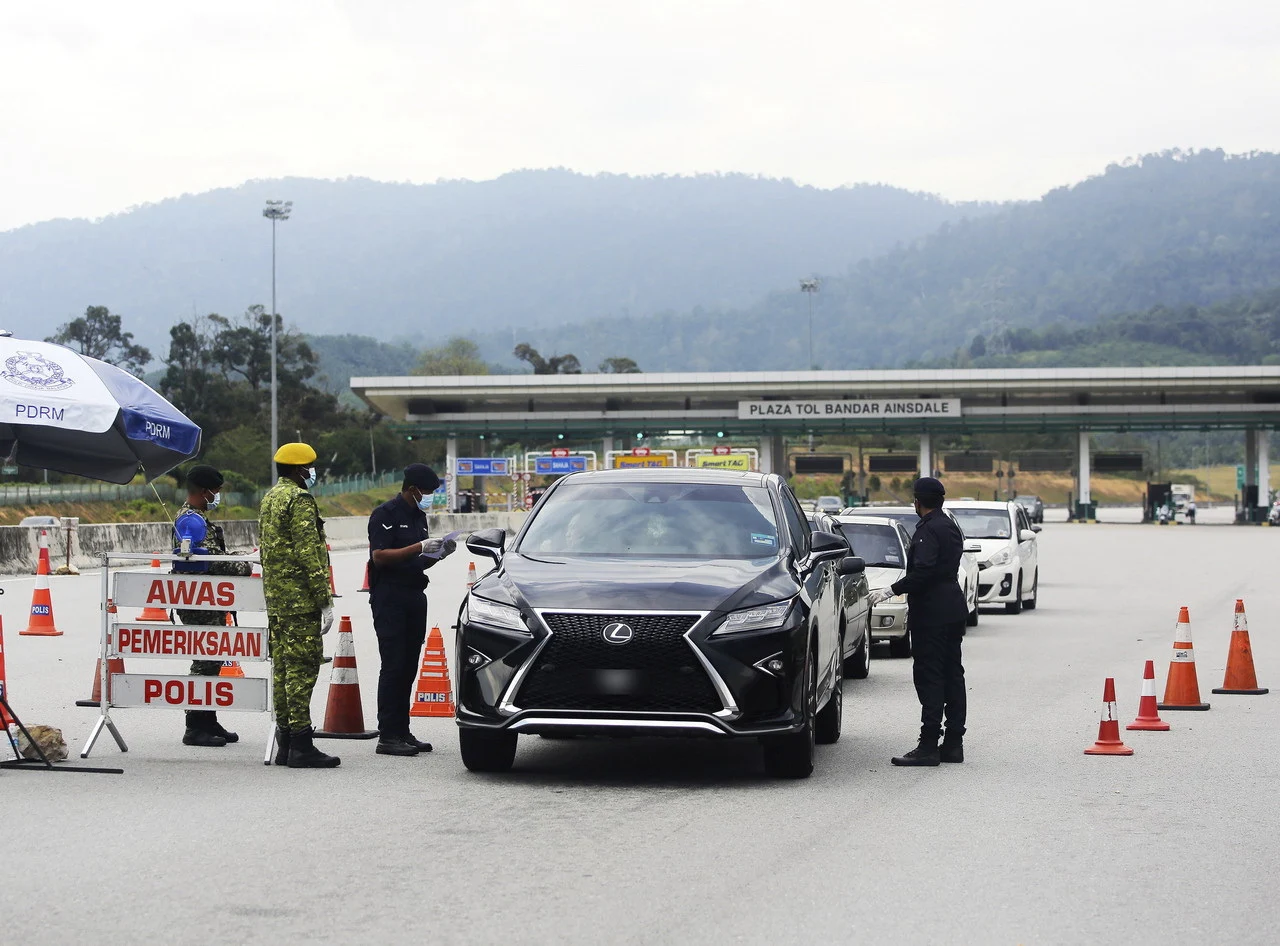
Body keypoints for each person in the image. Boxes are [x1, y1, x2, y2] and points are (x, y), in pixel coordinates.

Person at [868, 476, 969, 767]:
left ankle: (927, 746)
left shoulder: (927, 530)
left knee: (929, 676)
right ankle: (953, 744)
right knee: (953, 675)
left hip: (932, 614)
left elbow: (923, 572)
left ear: (918, 501)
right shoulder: (949, 526)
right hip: (952, 608)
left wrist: (889, 591)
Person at [366, 464, 456, 757]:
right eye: (427, 492)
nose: (429, 497)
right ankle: (388, 735)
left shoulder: (419, 517)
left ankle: (402, 730)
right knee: (393, 665)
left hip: (414, 594)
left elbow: (419, 561)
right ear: (413, 489)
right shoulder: (385, 514)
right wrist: (418, 546)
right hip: (390, 596)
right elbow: (380, 557)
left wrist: (439, 554)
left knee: (408, 666)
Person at [259, 442, 339, 769]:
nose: (312, 473)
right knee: (302, 670)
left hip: (276, 598)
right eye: (309, 468)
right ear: (299, 470)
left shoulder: (270, 497)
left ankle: (286, 742)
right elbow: (309, 554)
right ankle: (302, 744)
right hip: (299, 599)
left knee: (282, 669)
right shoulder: (299, 499)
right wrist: (325, 600)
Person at [173, 464, 252, 747]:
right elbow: (205, 562)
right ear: (205, 492)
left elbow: (212, 555)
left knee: (214, 660)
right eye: (216, 492)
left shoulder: (197, 519)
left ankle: (208, 719)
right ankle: (194, 725)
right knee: (204, 661)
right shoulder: (191, 521)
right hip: (198, 601)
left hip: (209, 600)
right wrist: (244, 564)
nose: (217, 496)